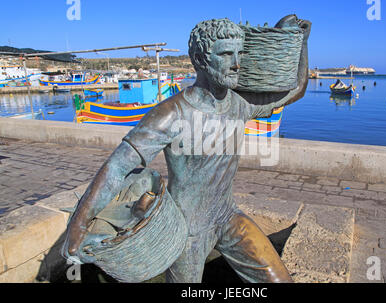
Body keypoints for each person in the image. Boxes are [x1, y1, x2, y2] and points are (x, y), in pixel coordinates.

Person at [62, 16, 311, 283]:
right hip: (185, 229)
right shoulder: (171, 114)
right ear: (200, 59)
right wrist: (77, 228)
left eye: (239, 53)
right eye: (226, 54)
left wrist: (302, 44)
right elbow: (117, 167)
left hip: (227, 215)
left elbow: (295, 90)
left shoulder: (239, 104)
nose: (236, 64)